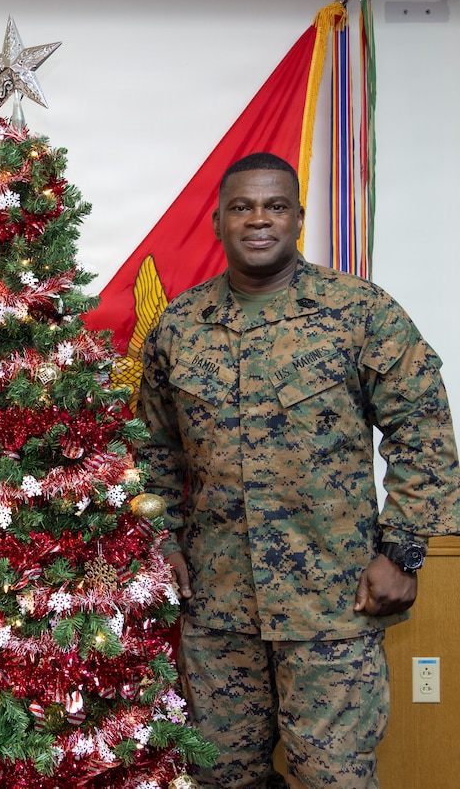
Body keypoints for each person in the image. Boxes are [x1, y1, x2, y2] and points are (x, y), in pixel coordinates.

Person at [137, 152, 459, 788]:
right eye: (242, 206)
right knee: (221, 776)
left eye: (275, 206)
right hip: (218, 603)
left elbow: (422, 429)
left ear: (298, 219)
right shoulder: (179, 325)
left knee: (331, 777)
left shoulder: (360, 311)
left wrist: (404, 551)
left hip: (335, 603)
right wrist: (162, 539)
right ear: (219, 222)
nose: (259, 219)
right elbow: (156, 450)